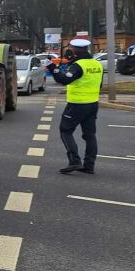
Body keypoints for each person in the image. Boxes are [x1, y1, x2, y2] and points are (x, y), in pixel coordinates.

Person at [51, 38, 102, 174]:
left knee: (65, 130)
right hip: (93, 103)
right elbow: (100, 84)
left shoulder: (78, 65)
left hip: (77, 104)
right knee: (90, 135)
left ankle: (74, 161)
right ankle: (89, 165)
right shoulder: (96, 64)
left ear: (75, 50)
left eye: (71, 49)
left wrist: (53, 69)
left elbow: (65, 79)